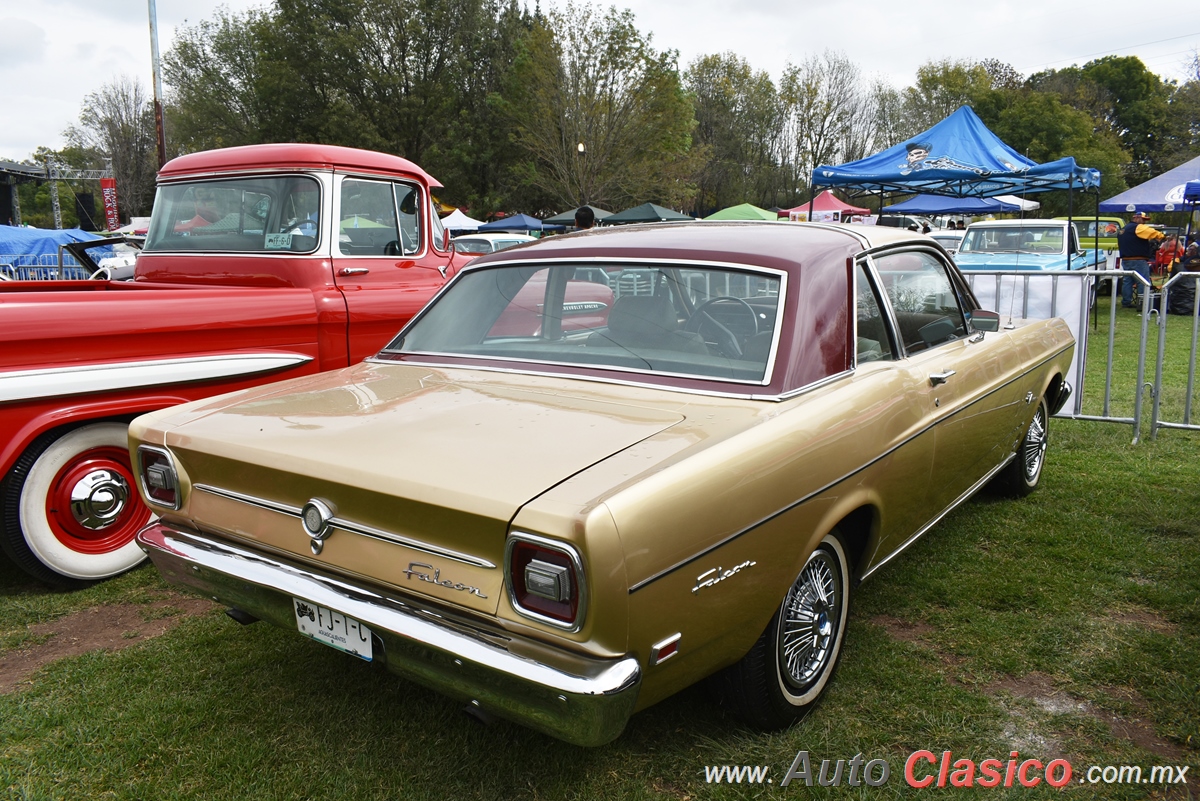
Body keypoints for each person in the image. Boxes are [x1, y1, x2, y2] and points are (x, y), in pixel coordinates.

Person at [1117, 211, 1165, 307]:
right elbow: (1153, 232)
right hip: (1138, 260)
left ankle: (1126, 302)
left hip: (1126, 260)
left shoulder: (1123, 229)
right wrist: (1163, 236)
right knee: (1143, 281)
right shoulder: (1138, 227)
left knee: (1127, 281)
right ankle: (1142, 303)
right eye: (1143, 219)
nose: (1144, 222)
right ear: (1137, 218)